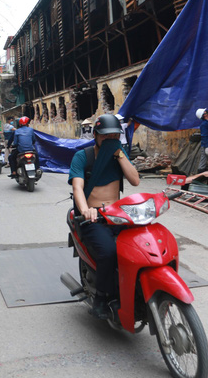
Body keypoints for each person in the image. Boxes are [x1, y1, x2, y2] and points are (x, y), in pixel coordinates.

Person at [68, 114, 140, 319]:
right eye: (106, 136)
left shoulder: (119, 155)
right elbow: (78, 187)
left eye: (115, 136)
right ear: (96, 136)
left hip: (118, 215)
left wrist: (120, 155)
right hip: (94, 217)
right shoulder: (83, 157)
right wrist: (86, 210)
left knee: (141, 246)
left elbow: (135, 181)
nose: (110, 140)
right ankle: (100, 298)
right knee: (108, 252)